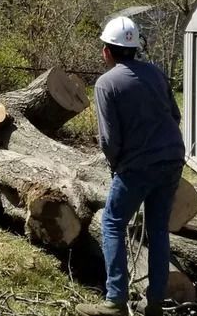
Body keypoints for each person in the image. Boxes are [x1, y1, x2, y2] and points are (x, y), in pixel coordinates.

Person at [75, 17, 185, 316]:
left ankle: (115, 300)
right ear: (134, 48)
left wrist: (117, 166)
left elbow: (109, 140)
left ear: (107, 51)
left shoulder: (106, 83)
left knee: (112, 223)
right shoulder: (157, 74)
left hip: (138, 166)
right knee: (159, 229)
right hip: (173, 157)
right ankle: (155, 303)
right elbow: (174, 117)